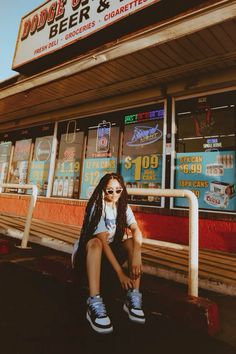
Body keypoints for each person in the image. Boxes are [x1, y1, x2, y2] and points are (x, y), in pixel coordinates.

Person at [72, 173, 145, 334]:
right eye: (109, 191)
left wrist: (137, 255)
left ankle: (133, 296)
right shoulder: (97, 206)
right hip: (88, 256)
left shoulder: (122, 205)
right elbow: (103, 243)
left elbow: (136, 229)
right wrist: (120, 273)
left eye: (118, 190)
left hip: (109, 253)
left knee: (134, 241)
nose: (114, 195)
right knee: (96, 243)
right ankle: (94, 302)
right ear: (102, 190)